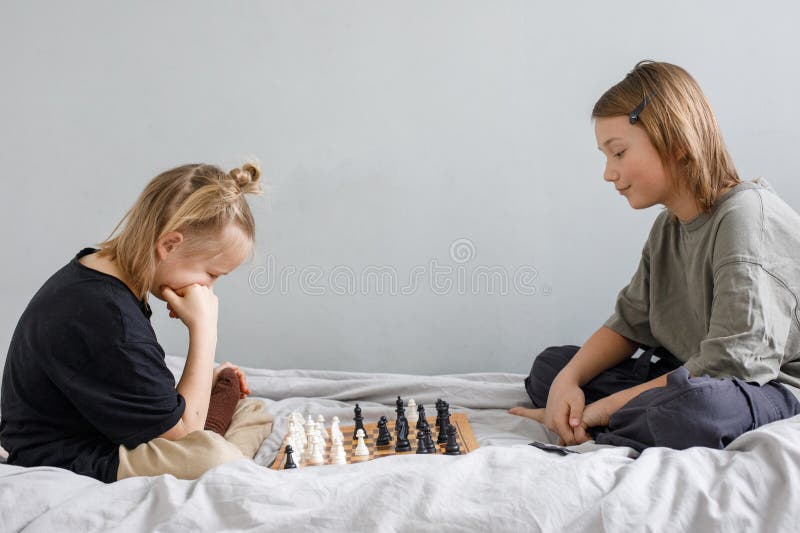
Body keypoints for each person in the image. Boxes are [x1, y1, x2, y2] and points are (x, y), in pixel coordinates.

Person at [510, 60, 800, 451]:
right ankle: (613, 419)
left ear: (676, 143)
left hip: (763, 385)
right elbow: (629, 323)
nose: (608, 173)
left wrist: (602, 409)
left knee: (695, 409)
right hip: (685, 375)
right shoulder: (668, 226)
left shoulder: (745, 216)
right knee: (551, 367)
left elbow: (731, 362)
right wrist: (567, 381)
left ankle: (598, 422)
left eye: (618, 152)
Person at [0, 162, 273, 482]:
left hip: (103, 427)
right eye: (211, 274)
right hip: (69, 454)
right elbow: (185, 438)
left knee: (251, 410)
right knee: (214, 456)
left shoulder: (97, 273)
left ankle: (224, 441)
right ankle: (233, 454)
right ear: (169, 245)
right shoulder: (109, 317)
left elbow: (129, 382)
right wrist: (205, 330)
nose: (208, 292)